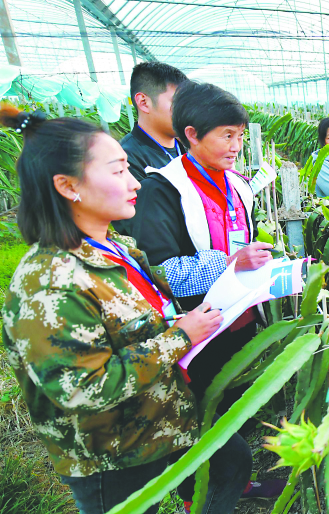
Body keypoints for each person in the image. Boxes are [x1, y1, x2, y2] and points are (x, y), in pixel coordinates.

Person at [0, 105, 251, 514]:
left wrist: (227, 267)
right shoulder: (49, 284)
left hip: (160, 417)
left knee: (230, 462)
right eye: (118, 171)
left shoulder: (113, 245)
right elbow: (84, 389)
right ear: (67, 186)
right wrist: (180, 337)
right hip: (110, 454)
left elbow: (150, 292)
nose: (134, 181)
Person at [130, 82, 274, 410]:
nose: (236, 146)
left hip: (241, 317)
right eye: (227, 135)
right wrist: (227, 263)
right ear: (193, 134)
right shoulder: (162, 190)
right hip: (198, 330)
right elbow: (159, 273)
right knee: (209, 410)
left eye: (240, 136)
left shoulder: (237, 184)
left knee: (240, 404)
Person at [114, 62, 188, 236]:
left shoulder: (188, 147)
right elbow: (145, 228)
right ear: (144, 102)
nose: (187, 111)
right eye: (178, 103)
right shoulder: (126, 159)